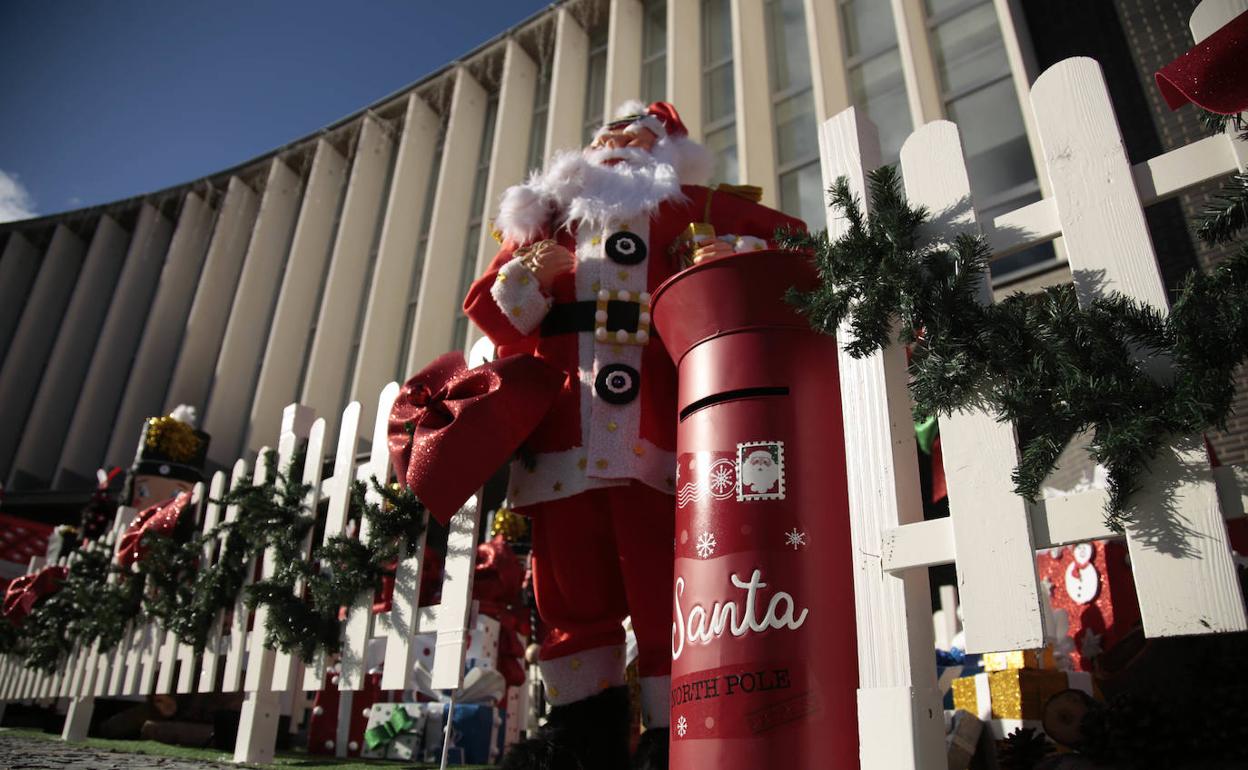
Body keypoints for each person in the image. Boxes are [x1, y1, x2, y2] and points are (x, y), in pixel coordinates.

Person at [464, 101, 804, 770]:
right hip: (563, 440)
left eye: (638, 134)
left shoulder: (695, 207)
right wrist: (528, 275)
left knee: (666, 593)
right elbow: (494, 315)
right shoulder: (548, 218)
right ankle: (580, 739)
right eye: (609, 132)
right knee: (570, 596)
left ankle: (673, 736)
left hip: (660, 438)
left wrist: (734, 254)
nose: (618, 140)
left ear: (668, 153)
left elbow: (793, 242)